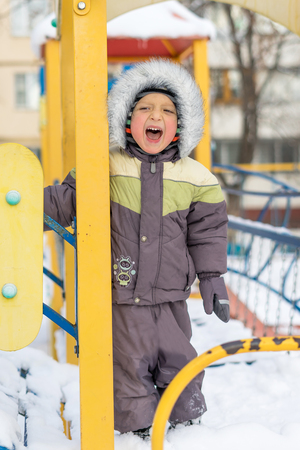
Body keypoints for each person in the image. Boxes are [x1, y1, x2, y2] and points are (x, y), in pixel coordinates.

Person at [44, 59, 229, 438]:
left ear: (181, 126)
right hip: (123, 298)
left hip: (171, 299)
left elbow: (208, 231)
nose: (155, 115)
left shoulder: (197, 178)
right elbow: (68, 199)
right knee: (129, 369)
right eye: (144, 108)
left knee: (180, 363)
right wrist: (19, 204)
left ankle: (186, 429)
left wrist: (212, 277)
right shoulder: (105, 165)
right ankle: (137, 432)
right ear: (127, 121)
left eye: (167, 110)